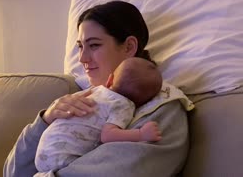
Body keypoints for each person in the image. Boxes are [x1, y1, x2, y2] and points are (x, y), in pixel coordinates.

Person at [4, 1, 192, 177]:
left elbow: (125, 170)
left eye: (94, 45)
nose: (82, 58)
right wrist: (46, 120)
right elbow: (12, 172)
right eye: (80, 47)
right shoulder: (80, 99)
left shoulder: (163, 106)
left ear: (129, 46)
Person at [35, 57, 163, 174]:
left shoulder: (97, 91)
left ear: (110, 80)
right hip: (62, 157)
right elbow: (108, 135)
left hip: (44, 148)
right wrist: (141, 134)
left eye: (95, 45)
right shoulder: (124, 106)